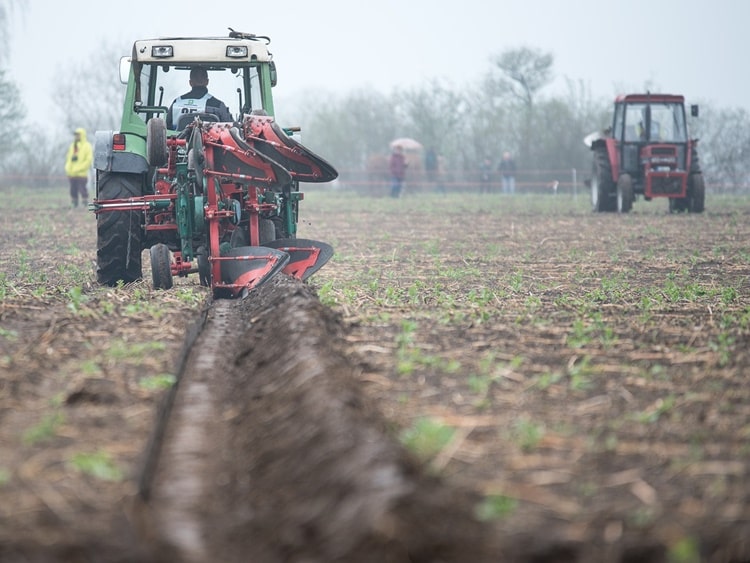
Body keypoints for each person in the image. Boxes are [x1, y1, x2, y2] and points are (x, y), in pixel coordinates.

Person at [167, 67, 233, 130]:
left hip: (177, 141)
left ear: (190, 83)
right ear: (207, 82)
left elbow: (165, 128)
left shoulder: (176, 103)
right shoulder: (218, 105)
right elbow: (229, 128)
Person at [64, 128, 93, 208]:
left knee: (82, 189)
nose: (76, 136)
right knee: (73, 190)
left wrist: (80, 168)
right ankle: (74, 203)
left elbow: (88, 160)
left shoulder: (87, 146)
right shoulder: (72, 146)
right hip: (72, 173)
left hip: (81, 174)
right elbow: (69, 158)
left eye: (78, 134)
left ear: (82, 135)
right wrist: (68, 168)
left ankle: (85, 203)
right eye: (75, 135)